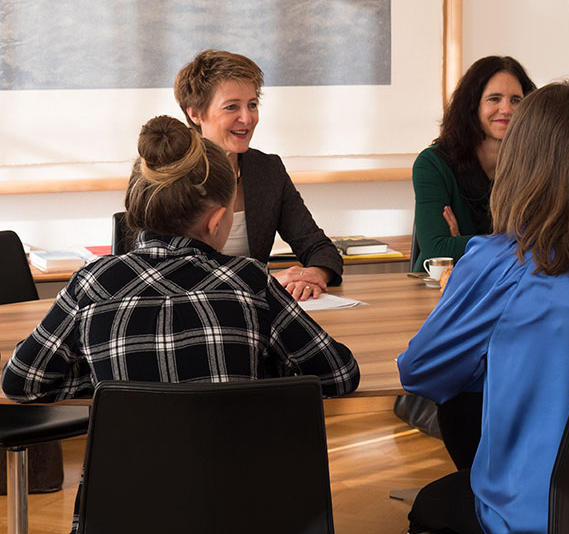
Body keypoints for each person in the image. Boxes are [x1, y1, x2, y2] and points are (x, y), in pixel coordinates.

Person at [1, 116, 358, 533]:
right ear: (216, 220)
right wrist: (255, 371)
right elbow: (340, 373)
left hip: (121, 513)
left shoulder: (93, 282)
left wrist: (106, 380)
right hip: (246, 511)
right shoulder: (249, 280)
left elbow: (21, 382)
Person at [398, 80, 569, 534]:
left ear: (520, 161)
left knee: (435, 495)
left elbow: (420, 372)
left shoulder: (498, 262)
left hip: (526, 514)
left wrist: (485, 346)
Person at [175, 49, 342, 301]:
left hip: (252, 315)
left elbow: (319, 248)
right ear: (195, 113)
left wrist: (312, 276)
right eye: (232, 107)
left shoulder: (267, 170)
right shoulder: (167, 173)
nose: (247, 118)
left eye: (252, 105)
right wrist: (266, 281)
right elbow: (171, 273)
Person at [412, 55, 536, 272]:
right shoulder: (432, 164)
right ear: (472, 105)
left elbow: (548, 244)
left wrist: (465, 244)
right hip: (441, 292)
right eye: (494, 99)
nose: (506, 109)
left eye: (516, 100)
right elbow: (437, 250)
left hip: (508, 287)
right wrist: (517, 241)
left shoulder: (536, 165)